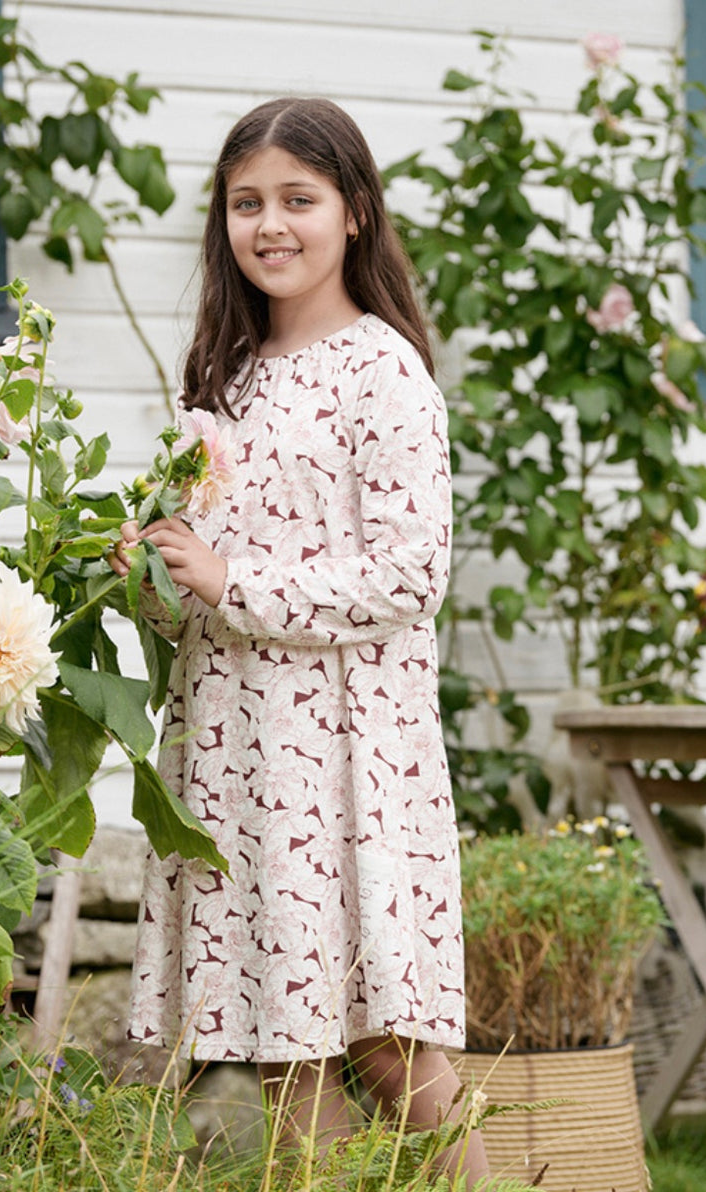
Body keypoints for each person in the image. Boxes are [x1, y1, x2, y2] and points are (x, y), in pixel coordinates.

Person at [108, 97, 488, 1183]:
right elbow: (200, 591)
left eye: (297, 199)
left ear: (356, 212)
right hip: (237, 758)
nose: (269, 224)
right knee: (286, 1047)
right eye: (245, 203)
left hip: (345, 761)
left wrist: (232, 578)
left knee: (392, 1048)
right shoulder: (220, 382)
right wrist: (153, 570)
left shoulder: (383, 372)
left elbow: (412, 573)